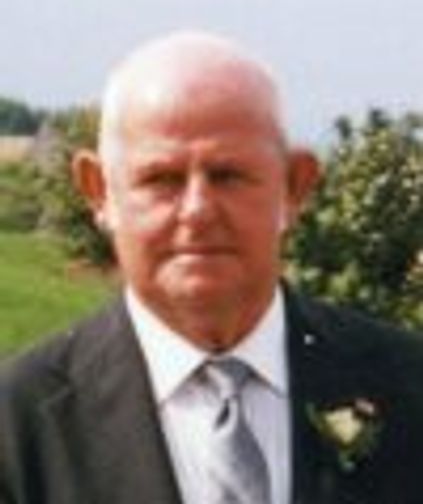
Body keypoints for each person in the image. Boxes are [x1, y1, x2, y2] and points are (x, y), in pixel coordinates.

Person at [1, 31, 423, 504]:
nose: (198, 210)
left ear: (294, 186)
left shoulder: (409, 389)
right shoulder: (18, 427)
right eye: (161, 179)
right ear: (100, 191)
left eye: (227, 175)